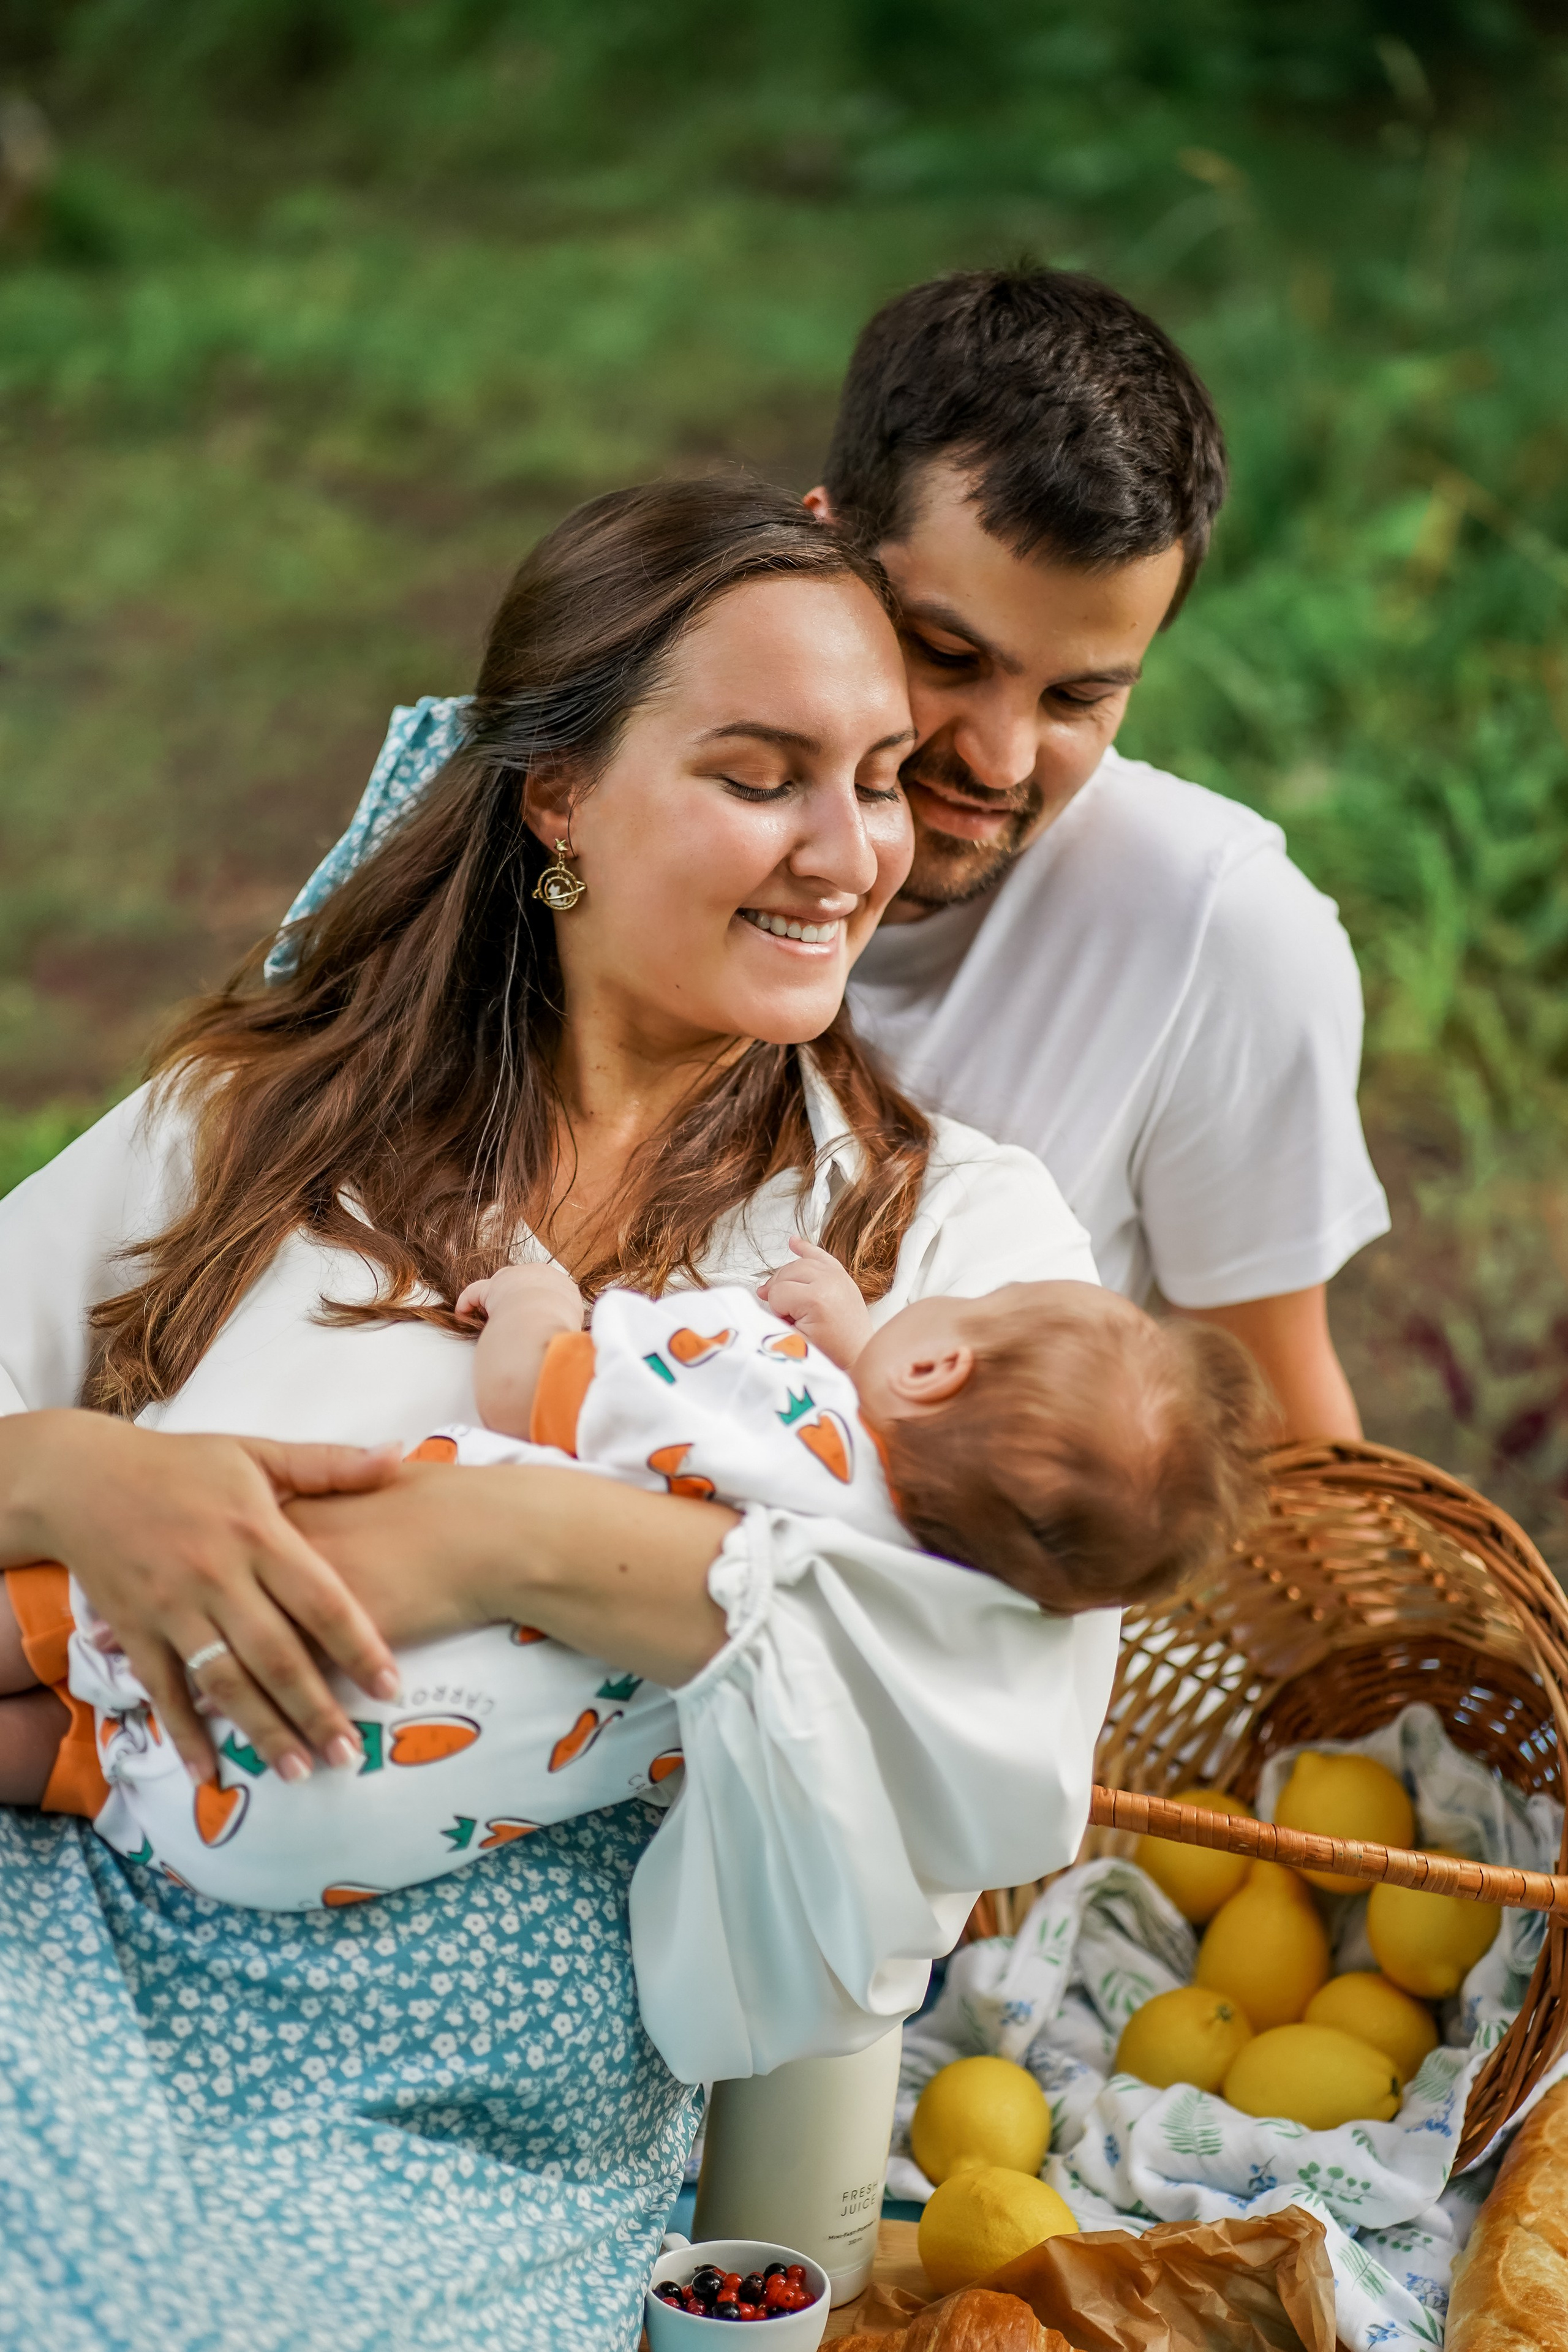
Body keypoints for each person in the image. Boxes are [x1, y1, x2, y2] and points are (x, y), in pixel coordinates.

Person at [0, 478, 1121, 2346]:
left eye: (876, 777)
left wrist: (497, 1535)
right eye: (763, 775)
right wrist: (76, 1472)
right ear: (560, 799)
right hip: (66, 1940)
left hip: (472, 2117)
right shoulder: (257, 1125)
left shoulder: (943, 1242)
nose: (850, 851)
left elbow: (992, 1721)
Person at [0, 1251, 1263, 1914]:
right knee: (83, 1756)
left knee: (73, 1611)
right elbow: (872, 1496)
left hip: (287, 1619)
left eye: (972, 1305)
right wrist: (877, 1350)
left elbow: (533, 1387)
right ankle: (60, 1759)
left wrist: (537, 1302)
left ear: (931, 1369)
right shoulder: (912, 1608)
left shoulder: (765, 1389)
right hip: (291, 1838)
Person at [807, 268, 1389, 1445]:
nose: (1001, 760)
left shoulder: (1219, 938)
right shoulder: (605, 815)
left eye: (1078, 696)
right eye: (947, 656)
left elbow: (1277, 1428)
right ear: (816, 543)